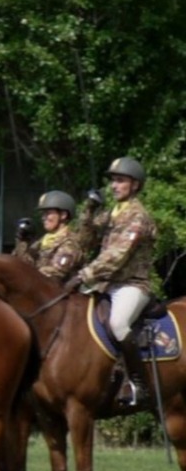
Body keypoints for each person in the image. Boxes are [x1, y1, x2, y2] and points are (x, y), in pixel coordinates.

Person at [68, 156, 158, 406]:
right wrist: (89, 209)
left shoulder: (138, 216)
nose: (114, 186)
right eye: (113, 181)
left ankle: (139, 384)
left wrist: (82, 276)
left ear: (135, 185)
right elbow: (82, 242)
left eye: (120, 181)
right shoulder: (110, 215)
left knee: (118, 324)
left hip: (132, 285)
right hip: (105, 285)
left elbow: (117, 255)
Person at [12, 191, 85, 283]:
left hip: (60, 293)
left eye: (48, 213)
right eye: (43, 214)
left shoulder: (70, 243)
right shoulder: (44, 241)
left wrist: (28, 275)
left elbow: (55, 273)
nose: (43, 217)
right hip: (38, 290)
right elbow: (24, 265)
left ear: (63, 215)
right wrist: (22, 242)